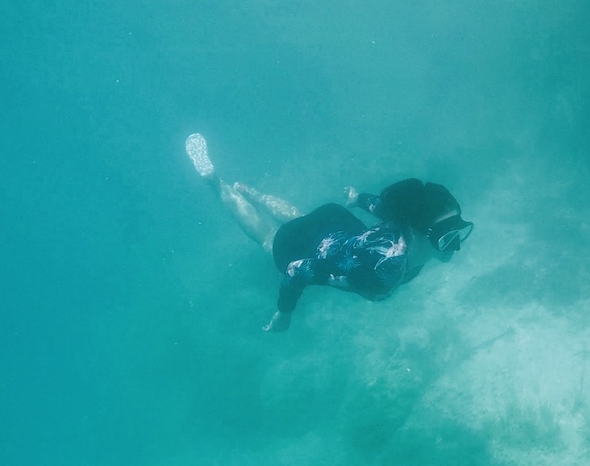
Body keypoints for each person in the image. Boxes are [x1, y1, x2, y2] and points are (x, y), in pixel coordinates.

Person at [185, 133, 474, 332]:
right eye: (446, 237)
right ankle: (215, 182)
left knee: (302, 219)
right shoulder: (381, 272)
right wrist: (285, 312)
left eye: (459, 231)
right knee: (267, 237)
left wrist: (356, 197)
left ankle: (253, 193)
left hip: (334, 222)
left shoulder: (404, 221)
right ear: (417, 231)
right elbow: (298, 269)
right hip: (299, 246)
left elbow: (384, 207)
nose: (456, 245)